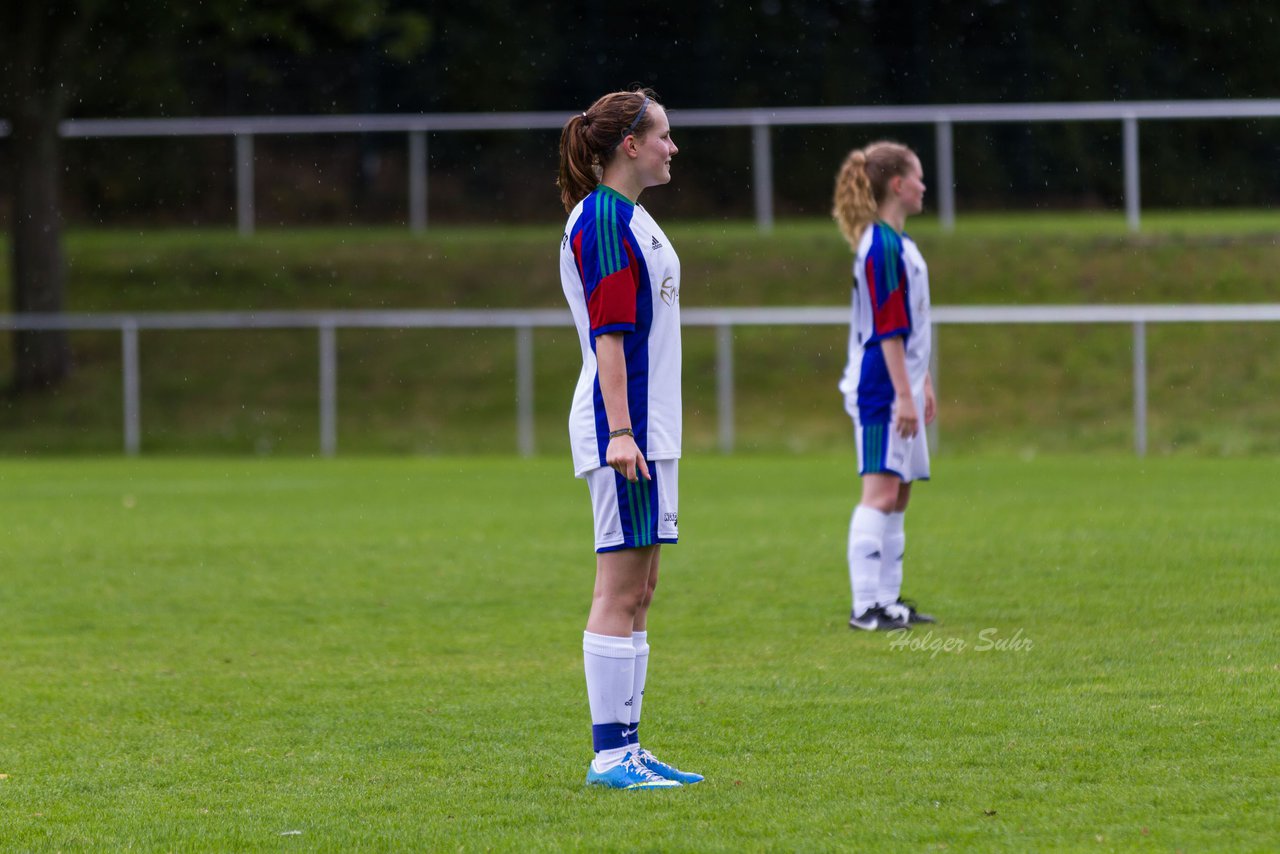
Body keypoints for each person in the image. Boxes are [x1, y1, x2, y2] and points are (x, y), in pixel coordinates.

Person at [556, 88, 702, 790]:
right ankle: (610, 757)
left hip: (648, 429)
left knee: (641, 588)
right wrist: (620, 431)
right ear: (630, 146)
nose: (674, 148)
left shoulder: (632, 219)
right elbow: (610, 335)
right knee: (617, 586)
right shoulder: (606, 220)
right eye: (665, 136)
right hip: (627, 429)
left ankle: (630, 748)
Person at [831, 141, 939, 632]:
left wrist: (923, 383)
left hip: (901, 384)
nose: (923, 185)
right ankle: (864, 607)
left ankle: (888, 599)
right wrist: (902, 394)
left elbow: (913, 326)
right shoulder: (880, 247)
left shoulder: (901, 244)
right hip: (880, 388)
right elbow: (887, 330)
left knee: (899, 493)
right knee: (878, 492)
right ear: (897, 184)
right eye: (917, 176)